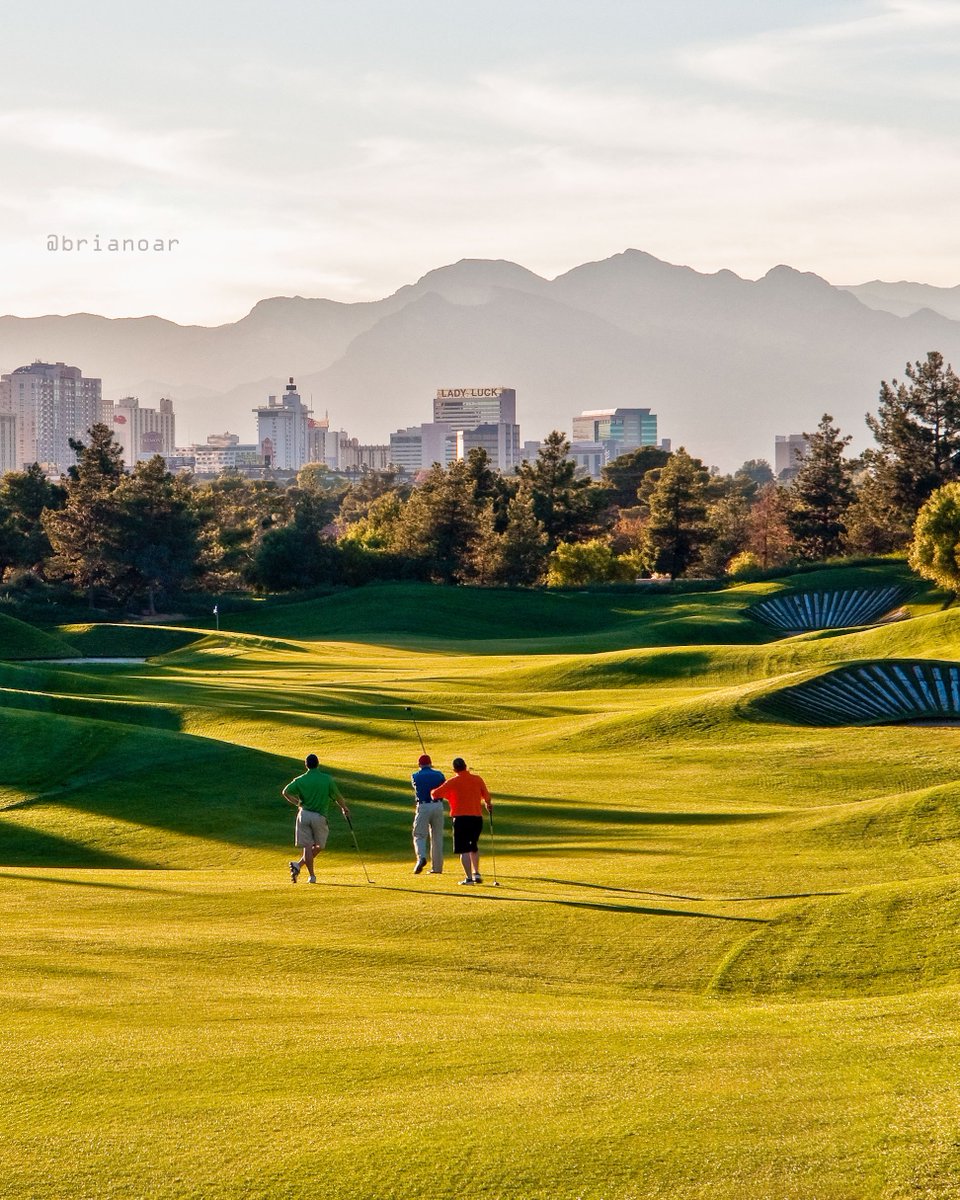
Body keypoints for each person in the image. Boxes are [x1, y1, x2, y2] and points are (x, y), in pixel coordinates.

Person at [281, 753, 350, 884]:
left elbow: (285, 792)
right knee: (319, 845)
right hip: (319, 816)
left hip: (304, 814)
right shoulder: (326, 779)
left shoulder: (300, 780)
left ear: (306, 765)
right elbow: (337, 796)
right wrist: (344, 807)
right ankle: (311, 876)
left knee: (308, 847)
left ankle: (299, 866)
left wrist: (298, 803)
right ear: (318, 763)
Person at [430, 757, 492, 885]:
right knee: (473, 846)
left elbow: (435, 794)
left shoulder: (453, 781)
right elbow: (487, 796)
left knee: (463, 849)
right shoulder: (477, 779)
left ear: (454, 769)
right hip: (476, 818)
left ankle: (469, 878)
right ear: (465, 766)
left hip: (461, 819)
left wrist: (446, 792)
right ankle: (476, 873)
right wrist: (488, 804)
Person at [411, 753, 446, 875]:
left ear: (419, 765)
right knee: (437, 837)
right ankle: (437, 868)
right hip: (438, 805)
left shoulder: (415, 775)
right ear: (430, 763)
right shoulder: (439, 775)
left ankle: (421, 858)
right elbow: (443, 786)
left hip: (424, 805)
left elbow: (416, 787)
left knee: (419, 834)